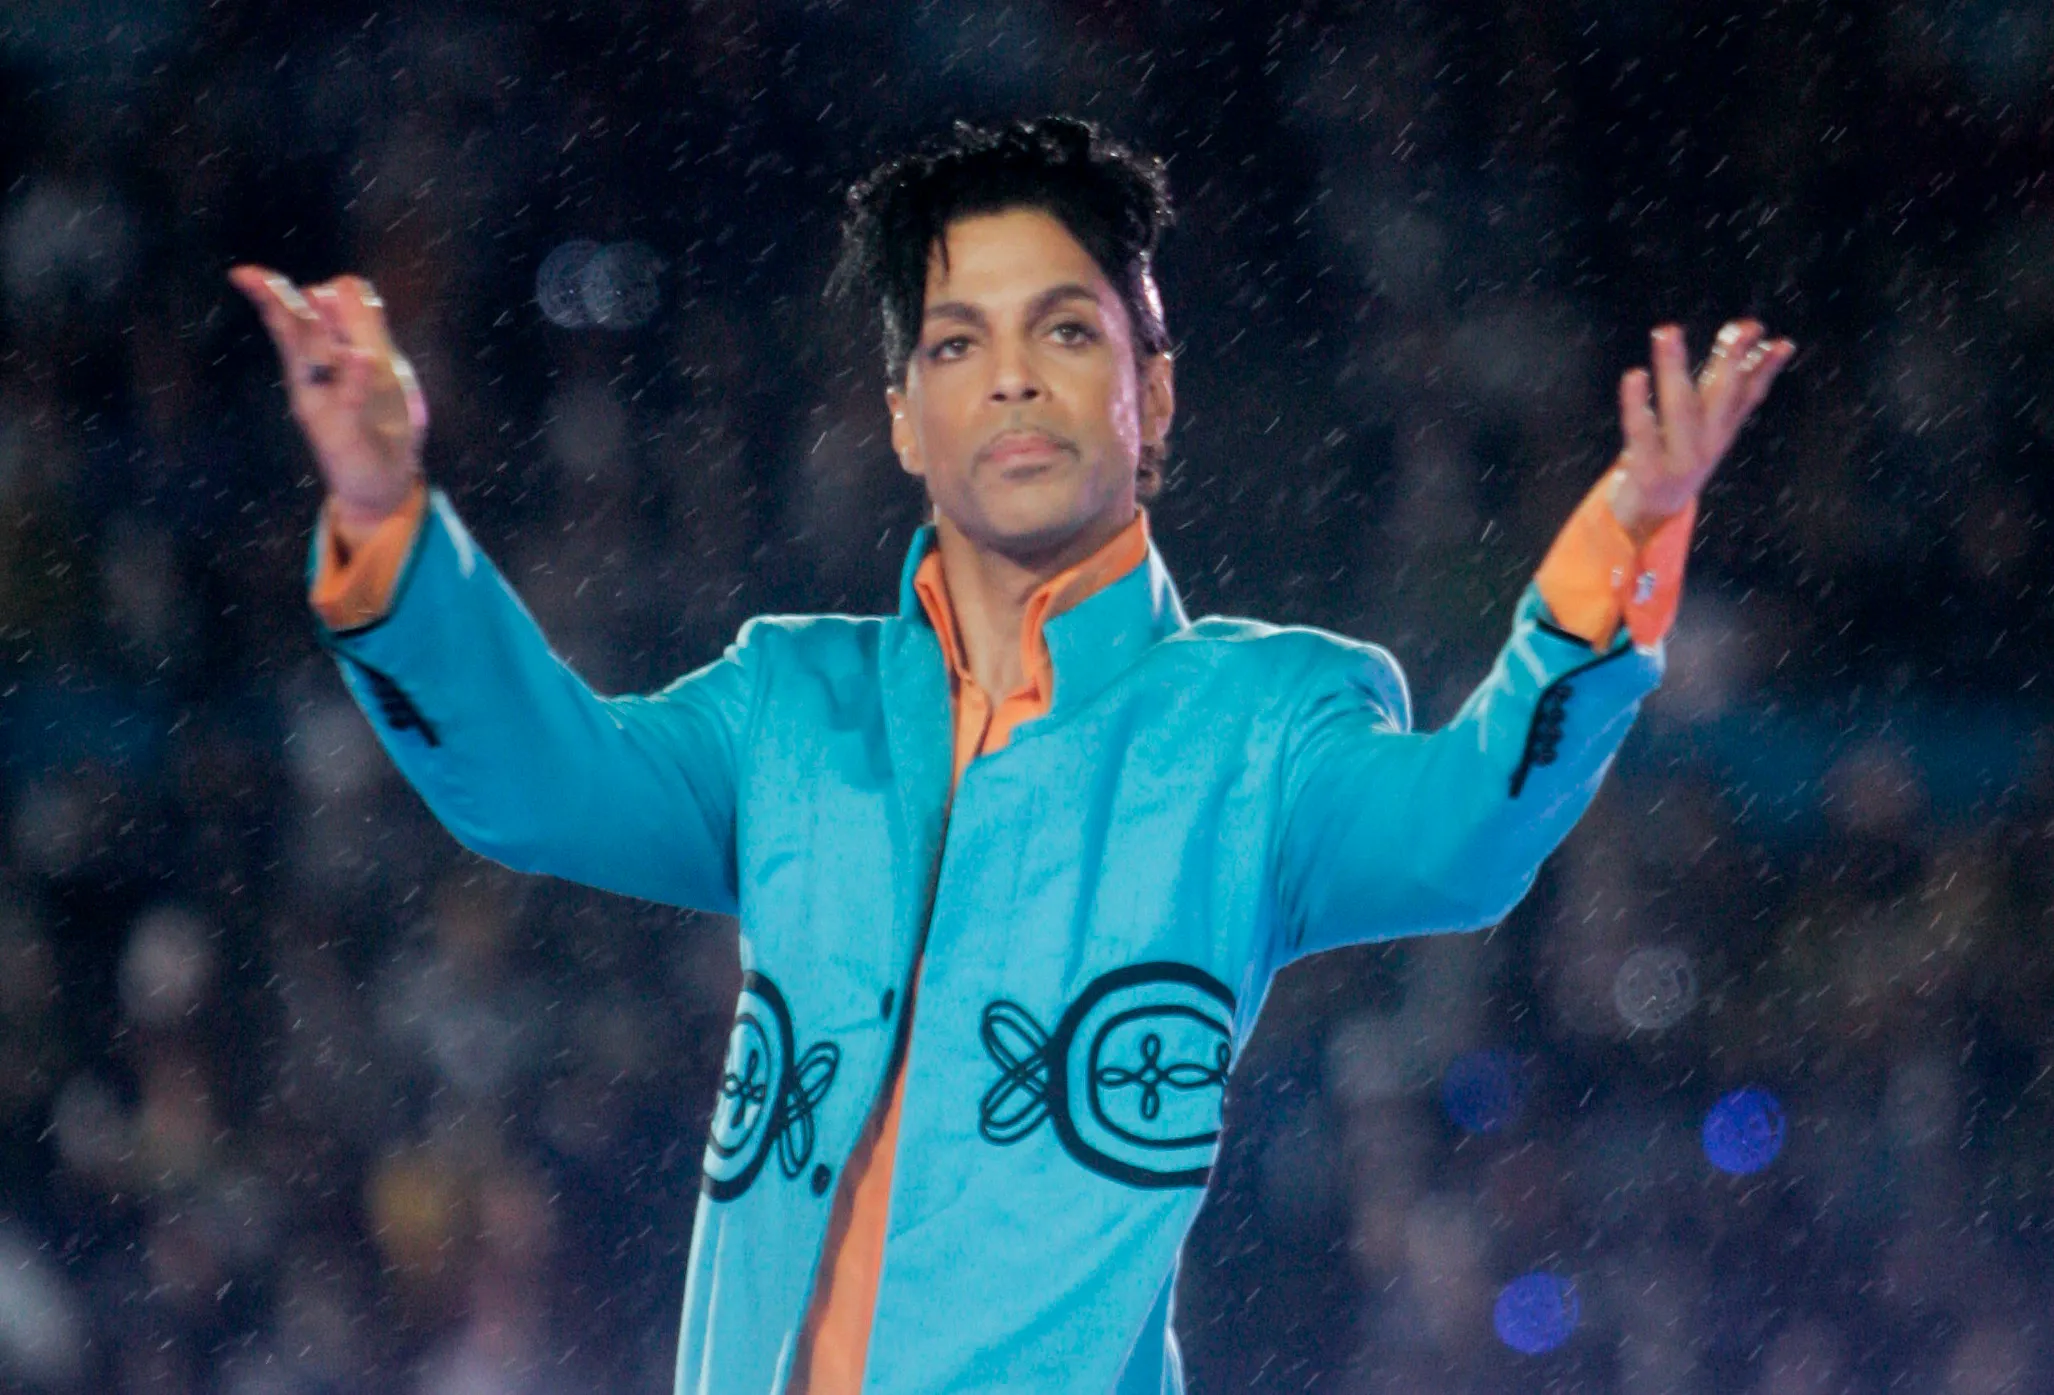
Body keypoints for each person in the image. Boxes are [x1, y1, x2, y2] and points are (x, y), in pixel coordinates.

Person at [228, 116, 1792, 1395]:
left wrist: (1623, 546)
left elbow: (1461, 837)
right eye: (956, 341)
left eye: (1065, 328)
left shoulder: (1258, 725)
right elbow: (538, 789)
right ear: (902, 416)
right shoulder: (789, 706)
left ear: (1151, 393)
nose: (1013, 375)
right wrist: (383, 515)